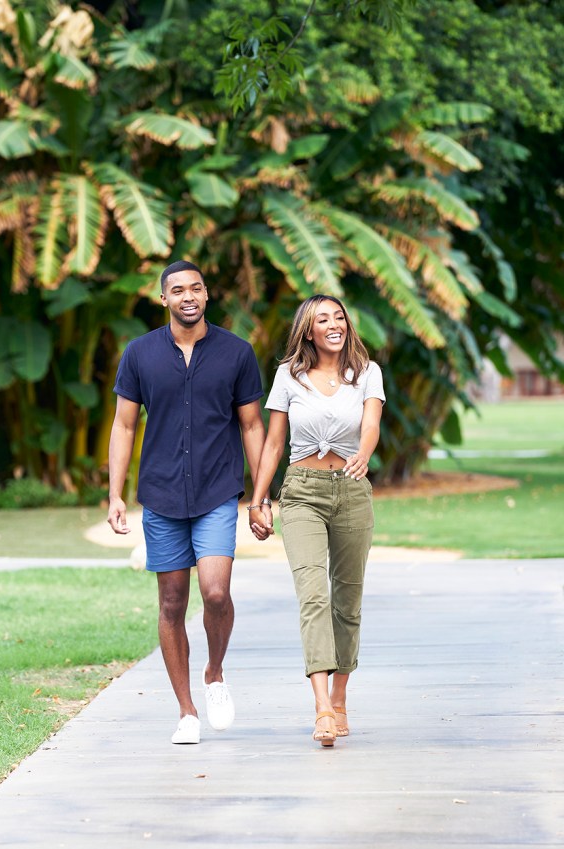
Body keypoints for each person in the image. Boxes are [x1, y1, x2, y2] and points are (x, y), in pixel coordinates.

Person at [107, 259, 271, 745]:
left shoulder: (236, 353)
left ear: (206, 294)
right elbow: (123, 425)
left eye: (196, 287)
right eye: (177, 290)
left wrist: (261, 497)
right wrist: (115, 494)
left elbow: (252, 425)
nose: (188, 296)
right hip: (160, 494)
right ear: (164, 299)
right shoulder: (139, 354)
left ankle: (214, 673)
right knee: (172, 602)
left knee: (216, 593)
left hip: (217, 490)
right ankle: (186, 712)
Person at [248, 295, 385, 748]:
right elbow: (273, 443)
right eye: (322, 319)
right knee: (313, 596)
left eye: (339, 317)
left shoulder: (366, 372)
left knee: (348, 600)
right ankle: (322, 706)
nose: (333, 324)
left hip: (350, 491)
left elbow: (370, 426)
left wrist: (363, 457)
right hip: (302, 491)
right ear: (308, 330)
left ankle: (341, 697)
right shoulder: (288, 375)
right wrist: (258, 498)